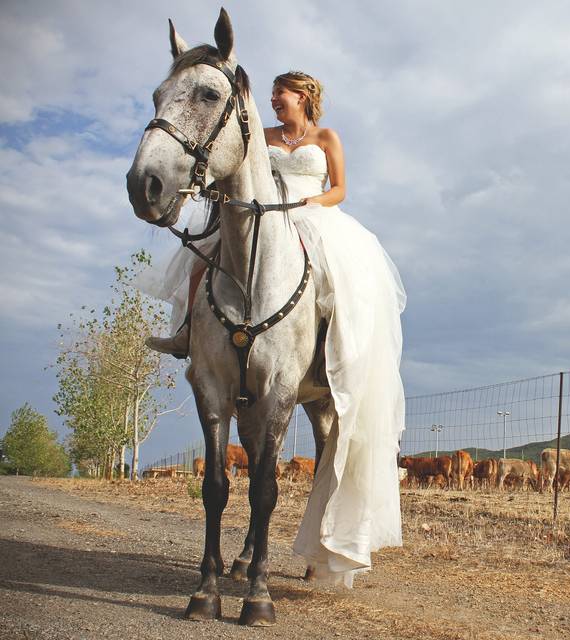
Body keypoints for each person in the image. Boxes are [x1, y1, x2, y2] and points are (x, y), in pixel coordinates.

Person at [139, 71, 406, 586]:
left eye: (280, 95)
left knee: (338, 277)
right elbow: (236, 167)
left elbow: (340, 189)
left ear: (302, 97)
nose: (273, 102)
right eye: (272, 98)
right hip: (261, 218)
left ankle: (336, 349)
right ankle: (186, 333)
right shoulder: (260, 138)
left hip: (308, 217)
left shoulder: (325, 139)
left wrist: (307, 206)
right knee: (206, 255)